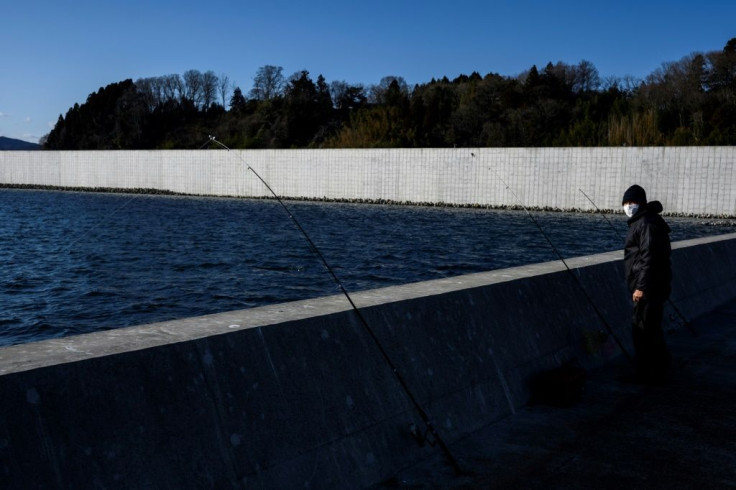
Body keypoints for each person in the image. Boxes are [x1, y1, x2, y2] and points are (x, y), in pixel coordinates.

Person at [622, 184, 672, 383]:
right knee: (652, 329)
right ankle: (660, 368)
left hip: (649, 288)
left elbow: (649, 258)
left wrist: (641, 287)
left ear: (641, 203)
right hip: (656, 285)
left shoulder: (645, 224)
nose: (628, 206)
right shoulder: (648, 221)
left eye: (632, 202)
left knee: (642, 330)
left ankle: (645, 373)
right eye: (625, 203)